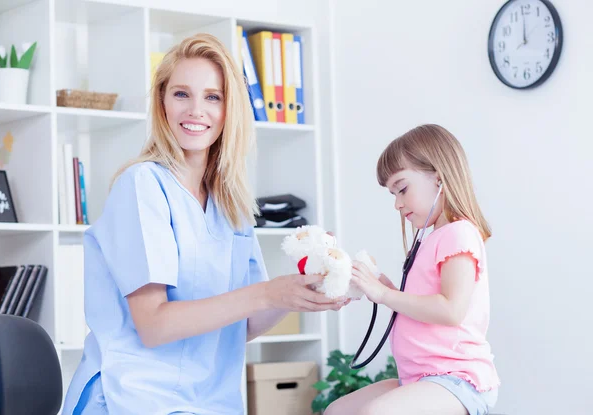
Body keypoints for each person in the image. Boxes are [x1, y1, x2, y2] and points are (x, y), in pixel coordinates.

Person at [61, 33, 346, 415]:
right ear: (162, 102)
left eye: (213, 97)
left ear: (230, 110)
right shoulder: (142, 185)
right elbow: (154, 326)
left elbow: (242, 326)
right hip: (134, 399)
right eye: (181, 94)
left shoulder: (232, 205)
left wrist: (299, 290)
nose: (196, 110)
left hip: (210, 403)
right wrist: (267, 293)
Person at [326, 124, 500, 415]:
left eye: (402, 188)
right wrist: (386, 289)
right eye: (393, 194)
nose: (397, 203)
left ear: (439, 178)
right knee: (337, 411)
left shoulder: (459, 233)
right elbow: (424, 307)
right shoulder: (434, 238)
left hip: (458, 380)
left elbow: (450, 310)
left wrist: (384, 294)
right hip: (421, 378)